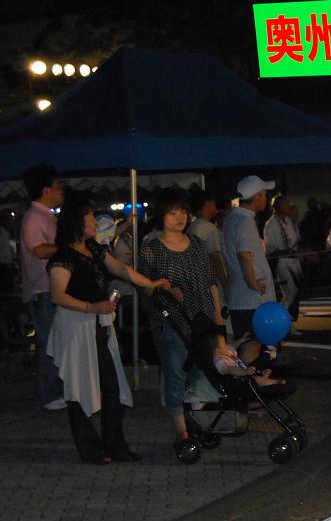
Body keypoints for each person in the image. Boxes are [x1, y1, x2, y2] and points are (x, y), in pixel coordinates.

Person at [47, 194, 169, 463]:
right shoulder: (63, 257)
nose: (95, 221)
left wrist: (151, 284)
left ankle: (114, 444)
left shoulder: (95, 250)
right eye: (90, 217)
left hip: (97, 325)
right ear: (77, 222)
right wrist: (92, 308)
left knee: (112, 387)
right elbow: (57, 295)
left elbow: (123, 270)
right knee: (77, 390)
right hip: (76, 328)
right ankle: (91, 449)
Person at [139, 187, 225, 448]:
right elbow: (144, 287)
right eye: (172, 213)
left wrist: (218, 317)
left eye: (183, 212)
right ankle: (183, 434)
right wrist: (162, 288)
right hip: (171, 323)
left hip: (201, 319)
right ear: (161, 216)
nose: (179, 218)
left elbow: (211, 283)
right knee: (175, 373)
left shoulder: (197, 244)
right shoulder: (151, 250)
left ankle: (193, 422)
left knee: (200, 371)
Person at [20, 164, 65, 410]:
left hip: (50, 289)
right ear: (47, 189)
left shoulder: (45, 215)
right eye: (58, 186)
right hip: (42, 290)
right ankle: (50, 394)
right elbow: (38, 249)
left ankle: (55, 391)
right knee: (49, 343)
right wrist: (68, 248)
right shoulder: (35, 217)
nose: (61, 191)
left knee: (55, 341)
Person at [223, 176, 277, 338]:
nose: (266, 198)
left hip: (239, 296)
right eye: (264, 194)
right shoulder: (244, 221)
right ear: (257, 196)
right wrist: (253, 282)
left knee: (244, 344)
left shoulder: (231, 218)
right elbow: (244, 254)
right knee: (253, 346)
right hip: (251, 299)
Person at [264, 194, 303, 326]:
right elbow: (270, 248)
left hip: (293, 260)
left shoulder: (288, 221)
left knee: (294, 292)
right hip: (281, 261)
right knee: (290, 292)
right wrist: (286, 251)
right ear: (279, 206)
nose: (289, 206)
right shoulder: (271, 224)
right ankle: (278, 320)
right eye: (286, 204)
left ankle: (287, 321)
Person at [188, 191, 228, 303]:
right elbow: (215, 258)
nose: (215, 205)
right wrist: (225, 282)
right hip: (211, 281)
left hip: (197, 281)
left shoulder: (192, 226)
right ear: (207, 204)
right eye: (213, 202)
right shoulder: (208, 228)